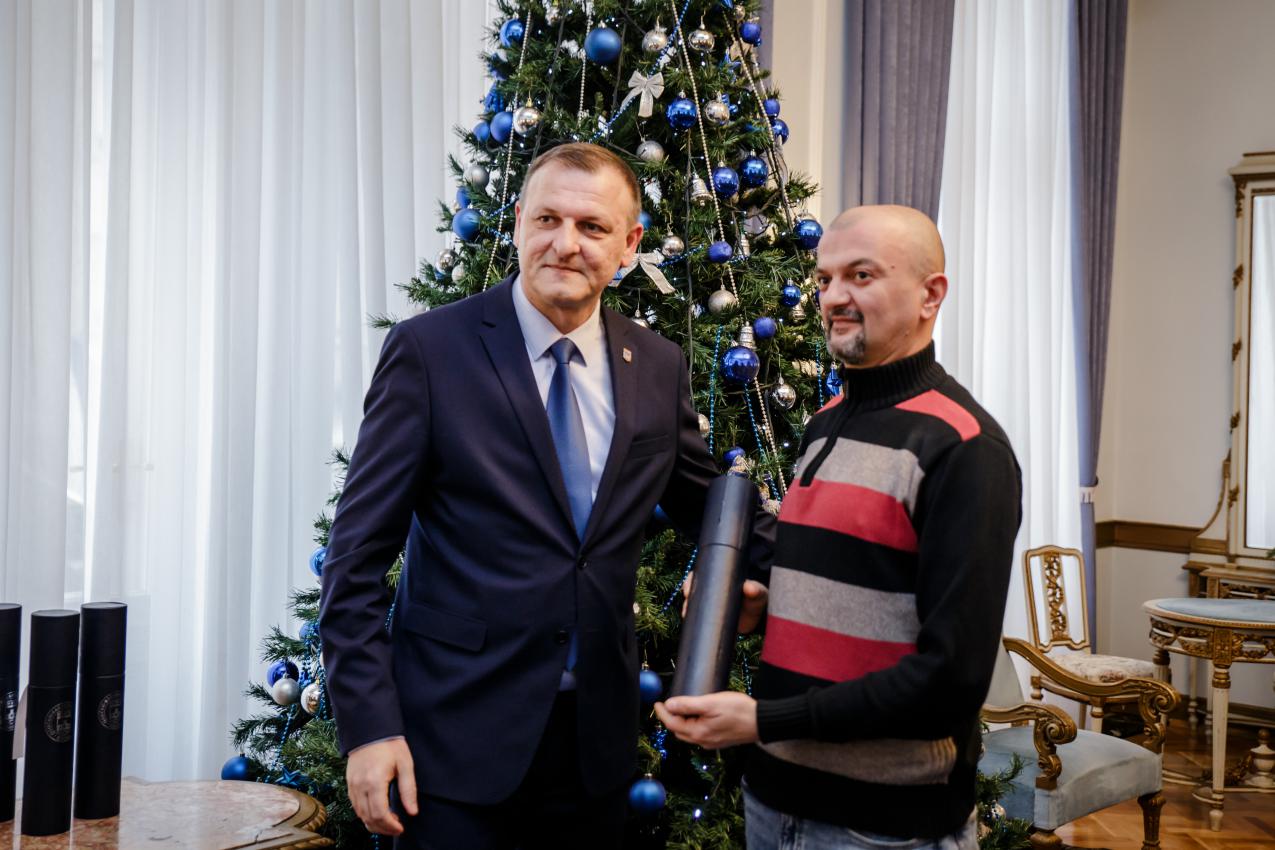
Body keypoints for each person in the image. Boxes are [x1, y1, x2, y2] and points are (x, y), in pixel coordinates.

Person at [318, 142, 773, 850]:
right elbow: (353, 563)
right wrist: (371, 729)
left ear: (629, 245)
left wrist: (834, 570)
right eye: (547, 220)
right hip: (451, 744)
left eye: (592, 227)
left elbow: (710, 504)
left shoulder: (657, 365)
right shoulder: (430, 352)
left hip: (595, 751)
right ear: (518, 224)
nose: (565, 244)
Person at [656, 205, 1021, 850]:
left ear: (931, 295)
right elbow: (864, 594)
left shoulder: (965, 448)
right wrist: (767, 609)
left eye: (861, 275)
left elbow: (951, 682)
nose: (833, 298)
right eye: (824, 279)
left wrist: (766, 720)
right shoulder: (825, 423)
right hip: (772, 805)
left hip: (883, 829)